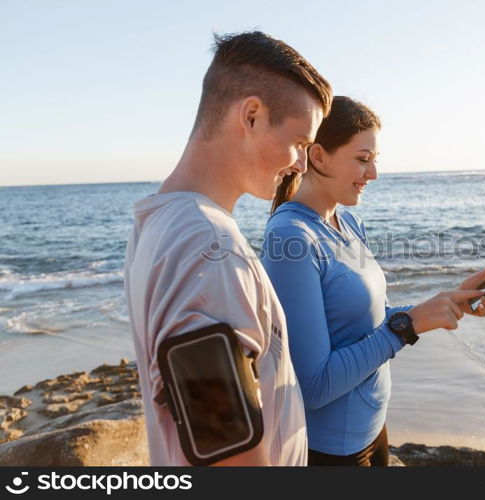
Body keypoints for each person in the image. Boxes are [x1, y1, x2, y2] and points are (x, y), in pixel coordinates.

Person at [261, 96, 485, 466]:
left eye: (374, 161)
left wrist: (448, 301)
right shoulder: (290, 238)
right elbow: (315, 385)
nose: (373, 174)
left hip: (373, 430)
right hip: (331, 451)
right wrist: (407, 327)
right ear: (318, 156)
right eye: (362, 160)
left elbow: (367, 323)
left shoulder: (346, 221)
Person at [123, 31, 332, 466]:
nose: (300, 164)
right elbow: (226, 455)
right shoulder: (205, 245)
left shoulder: (157, 222)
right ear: (252, 115)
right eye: (299, 144)